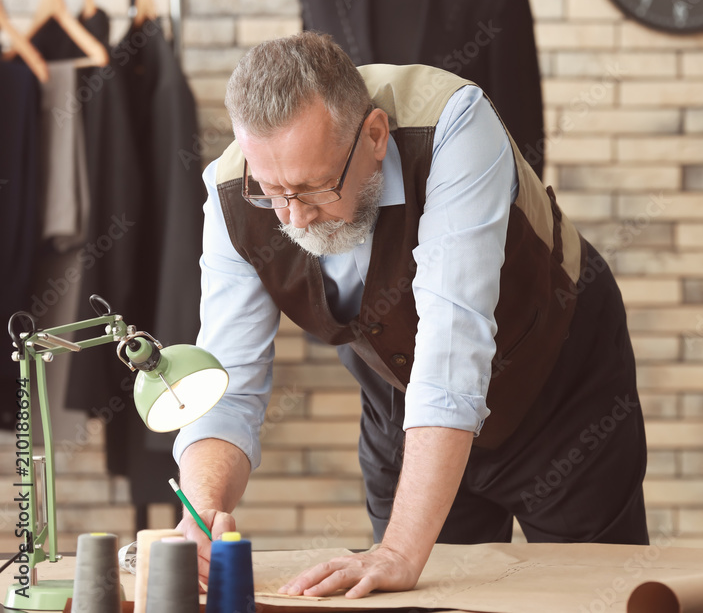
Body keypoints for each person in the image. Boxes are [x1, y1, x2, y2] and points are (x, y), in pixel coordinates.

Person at [174, 32, 648, 599]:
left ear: (374, 135)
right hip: (402, 403)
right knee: (419, 600)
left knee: (594, 599)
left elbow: (453, 344)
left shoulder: (455, 126)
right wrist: (204, 509)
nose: (294, 219)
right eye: (271, 192)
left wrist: (398, 551)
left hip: (560, 386)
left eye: (315, 188)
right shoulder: (229, 193)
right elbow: (227, 384)